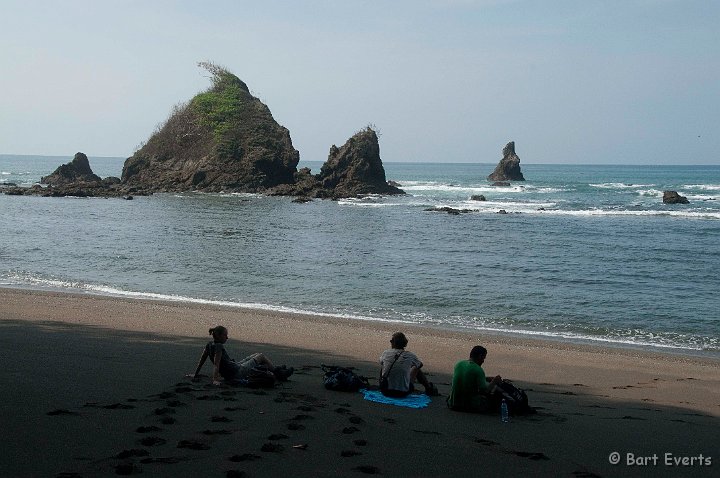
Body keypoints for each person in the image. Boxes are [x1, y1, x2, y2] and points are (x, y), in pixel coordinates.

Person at [190, 326, 293, 385]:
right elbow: (216, 364)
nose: (227, 337)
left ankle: (276, 369)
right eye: (225, 335)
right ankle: (279, 373)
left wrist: (195, 374)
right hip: (237, 372)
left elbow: (202, 360)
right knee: (261, 356)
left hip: (235, 367)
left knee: (255, 354)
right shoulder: (219, 347)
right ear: (219, 336)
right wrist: (215, 380)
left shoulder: (209, 345)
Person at [379, 332, 439, 397]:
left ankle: (385, 383)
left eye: (391, 341)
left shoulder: (386, 353)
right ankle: (428, 387)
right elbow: (420, 364)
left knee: (384, 365)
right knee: (416, 368)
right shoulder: (410, 355)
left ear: (393, 342)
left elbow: (381, 362)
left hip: (385, 391)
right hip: (403, 393)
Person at [447, 345, 502, 413]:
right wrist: (494, 381)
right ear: (480, 356)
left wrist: (486, 378)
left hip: (452, 404)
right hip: (467, 406)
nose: (483, 361)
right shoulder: (478, 370)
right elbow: (484, 391)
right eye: (483, 358)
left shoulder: (459, 364)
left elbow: (467, 377)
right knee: (494, 396)